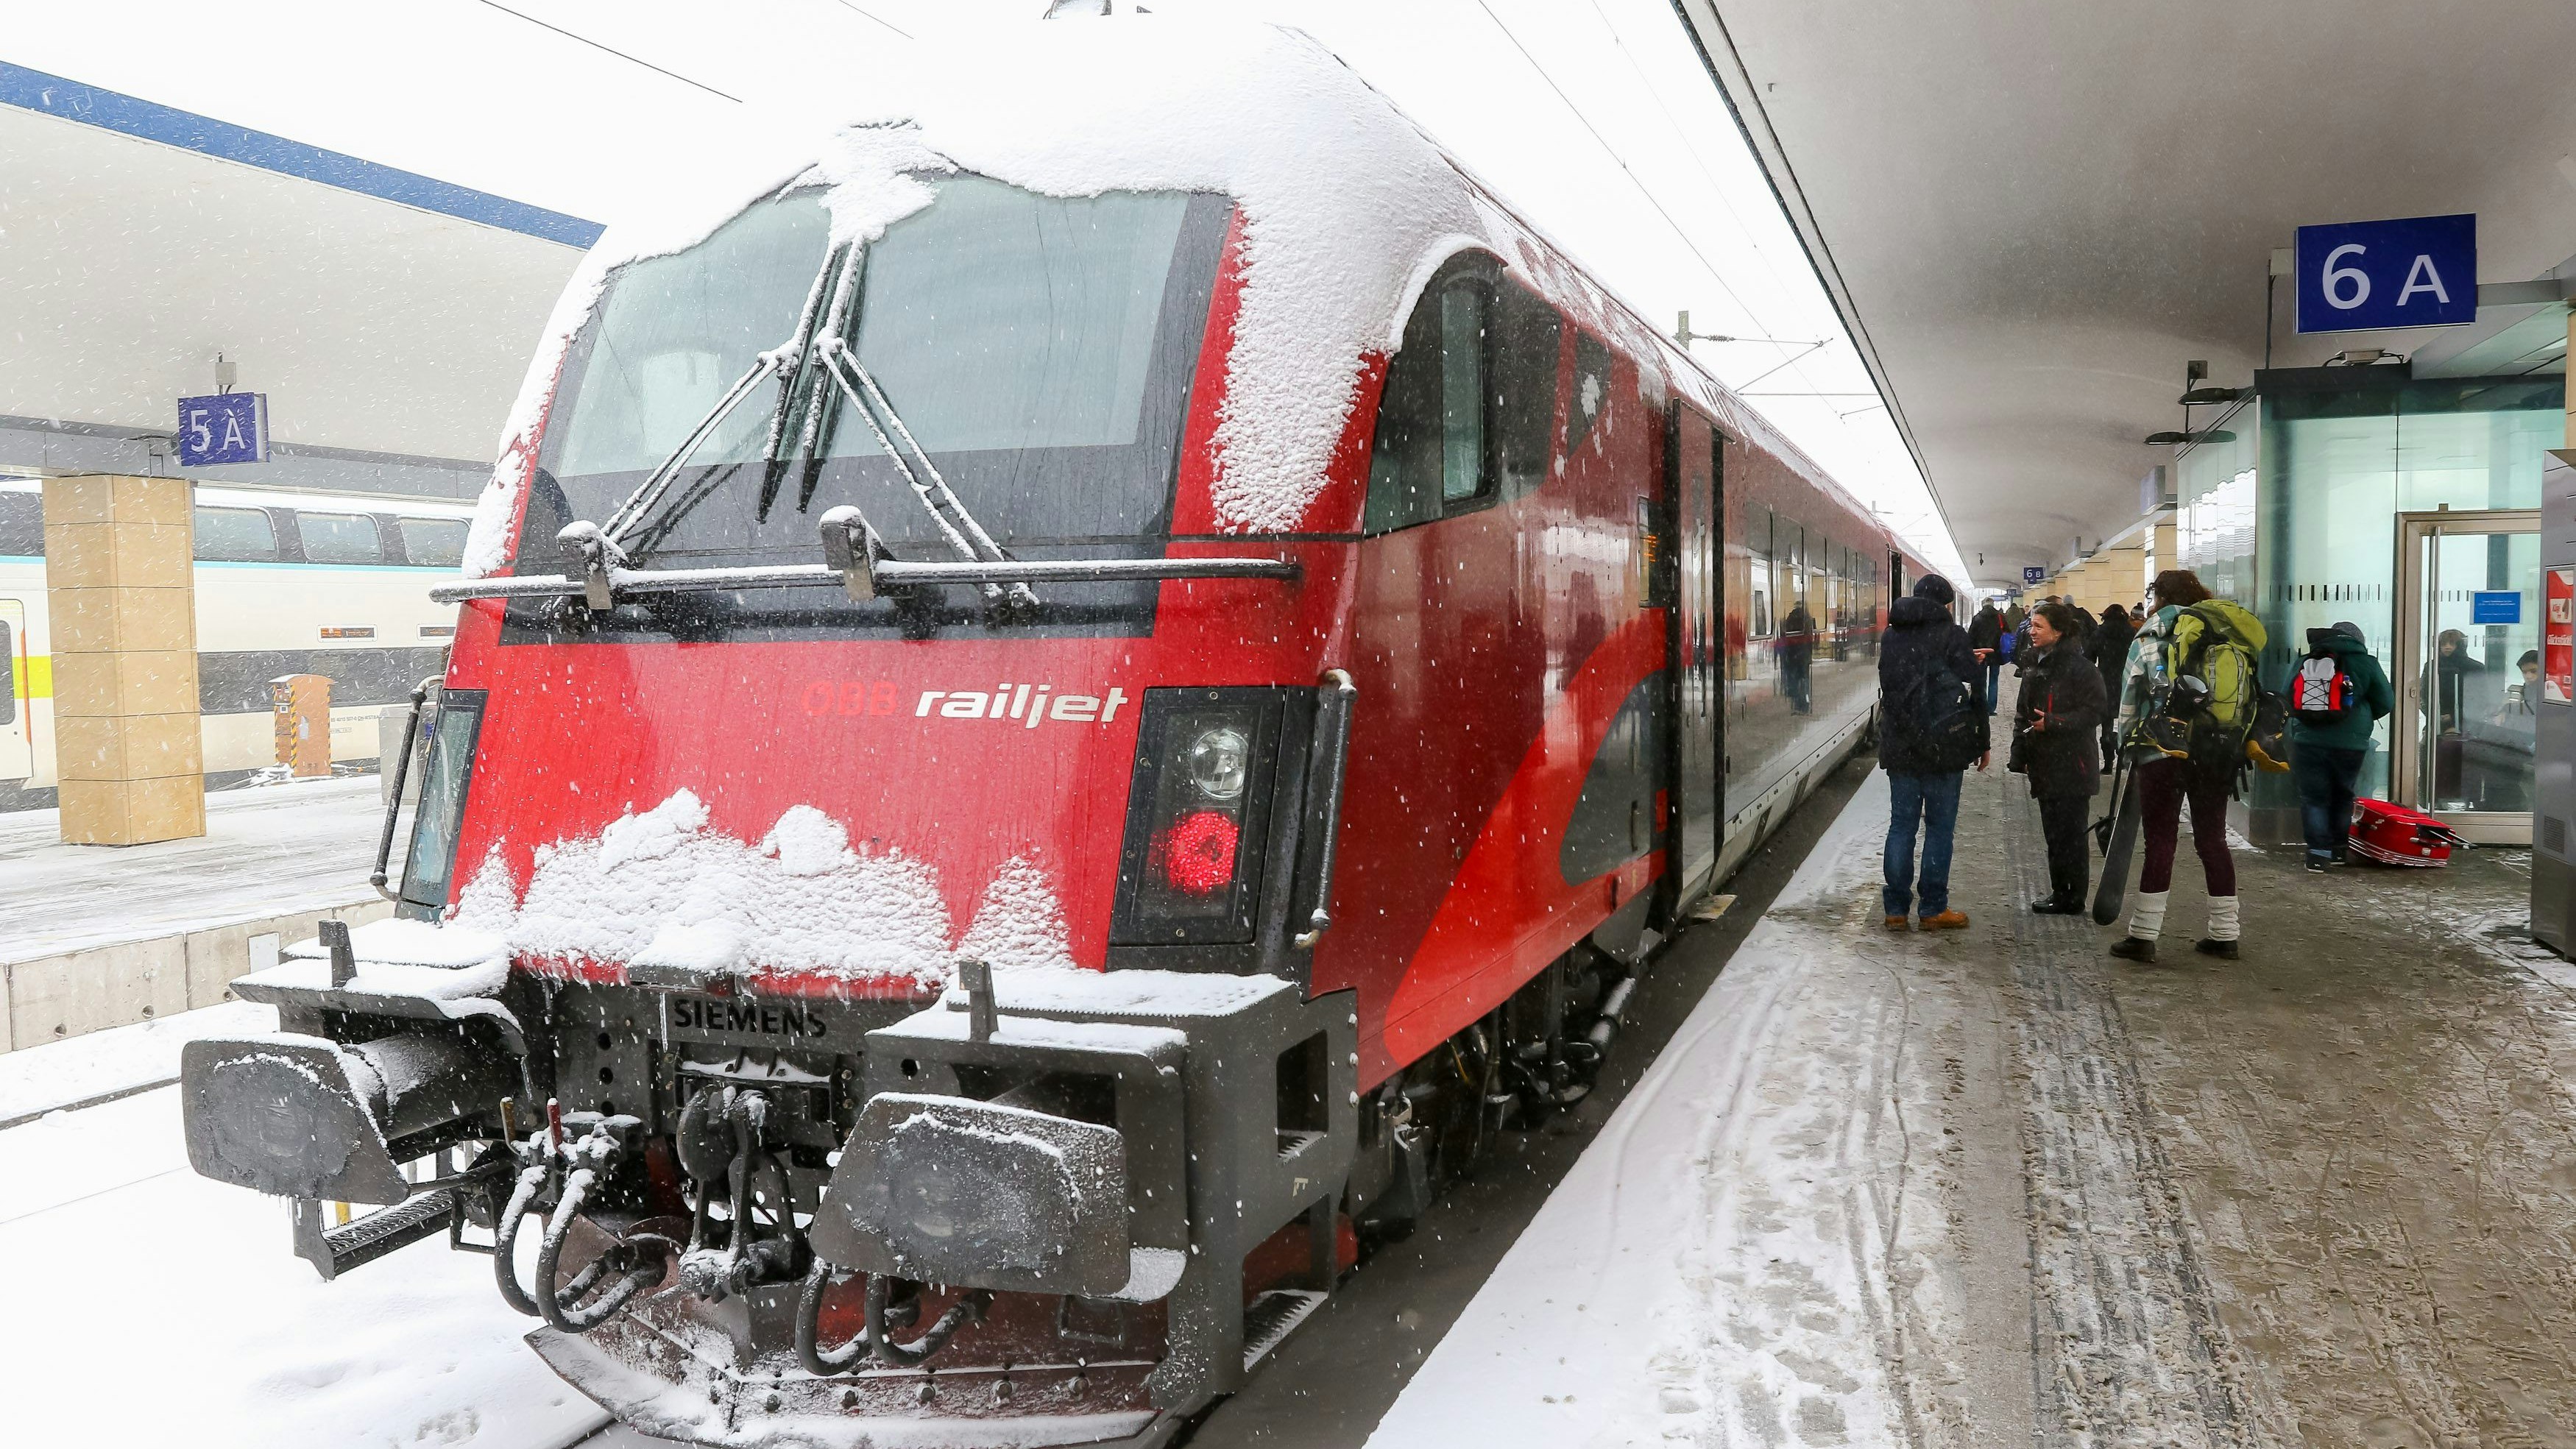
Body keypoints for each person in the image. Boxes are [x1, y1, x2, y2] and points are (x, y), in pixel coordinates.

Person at [2107, 569, 2259, 963]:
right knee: (2213, 839)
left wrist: (2126, 743)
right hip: (2215, 751)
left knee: (2161, 841)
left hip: (2163, 750)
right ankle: (2226, 935)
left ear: (2158, 596)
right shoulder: (2226, 635)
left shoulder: (2151, 637)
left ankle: (2143, 936)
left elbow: (2129, 698)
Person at [1877, 573, 1989, 931]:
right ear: (1946, 604)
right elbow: (1972, 691)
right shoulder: (1952, 635)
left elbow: (1892, 683)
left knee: (1901, 826)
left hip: (1900, 745)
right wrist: (1982, 743)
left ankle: (1895, 910)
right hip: (1944, 745)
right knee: (1940, 829)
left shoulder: (1891, 636)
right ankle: (1932, 909)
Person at [2011, 600, 2109, 913]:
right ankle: (2060, 891)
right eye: (2031, 625)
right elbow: (2022, 713)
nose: (2032, 631)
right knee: (2054, 834)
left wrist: (2054, 722)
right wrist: (2018, 752)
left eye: (2039, 626)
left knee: (2072, 836)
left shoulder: (2082, 670)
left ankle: (2074, 897)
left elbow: (2094, 712)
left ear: (2060, 631)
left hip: (2073, 765)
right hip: (2045, 763)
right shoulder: (2034, 665)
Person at [2287, 620, 2391, 871]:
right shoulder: (2368, 663)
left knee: (2314, 797)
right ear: (2358, 640)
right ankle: (2338, 851)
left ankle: (2317, 855)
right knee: (2343, 795)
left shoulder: (2305, 661)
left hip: (2308, 739)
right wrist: (2360, 716)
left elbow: (2287, 696)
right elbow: (2386, 701)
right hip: (2351, 743)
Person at [2089, 603, 2137, 765]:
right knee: (2129, 720)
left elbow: (2088, 658)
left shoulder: (2099, 633)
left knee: (2107, 723)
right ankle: (2124, 756)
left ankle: (2109, 762)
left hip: (2106, 682)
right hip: (2128, 680)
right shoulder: (2132, 633)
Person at [1967, 599, 2006, 715]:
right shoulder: (2000, 617)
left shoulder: (1977, 618)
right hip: (1996, 652)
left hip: (1981, 653)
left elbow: (1971, 636)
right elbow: (2008, 631)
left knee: (1982, 681)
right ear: (1993, 605)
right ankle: (1991, 708)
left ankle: (1982, 707)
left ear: (1983, 605)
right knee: (1994, 681)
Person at [1777, 600, 1816, 715]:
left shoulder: (1790, 618)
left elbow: (1784, 635)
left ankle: (1796, 703)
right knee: (1804, 680)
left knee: (1794, 680)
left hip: (1792, 656)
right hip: (1804, 656)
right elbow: (1811, 639)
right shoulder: (1808, 619)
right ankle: (1805, 704)